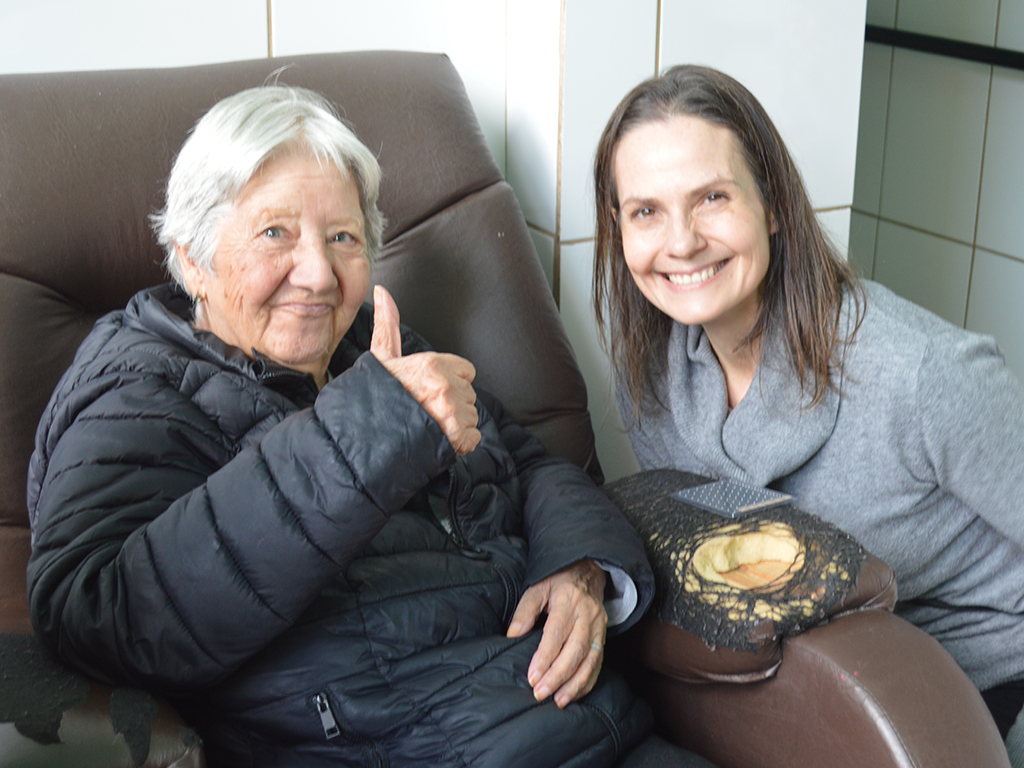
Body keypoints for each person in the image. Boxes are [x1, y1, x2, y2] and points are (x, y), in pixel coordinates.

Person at [26, 85, 715, 767]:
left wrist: (580, 564)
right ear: (193, 259)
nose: (318, 274)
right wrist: (370, 433)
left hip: (595, 730)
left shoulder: (373, 343)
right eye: (275, 233)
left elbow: (530, 465)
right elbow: (90, 610)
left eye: (342, 238)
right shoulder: (137, 388)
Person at [592, 64, 1024, 743]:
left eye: (712, 198)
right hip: (825, 658)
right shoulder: (648, 375)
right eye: (647, 211)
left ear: (773, 205)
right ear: (618, 228)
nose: (681, 242)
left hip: (978, 669)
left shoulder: (921, 373)